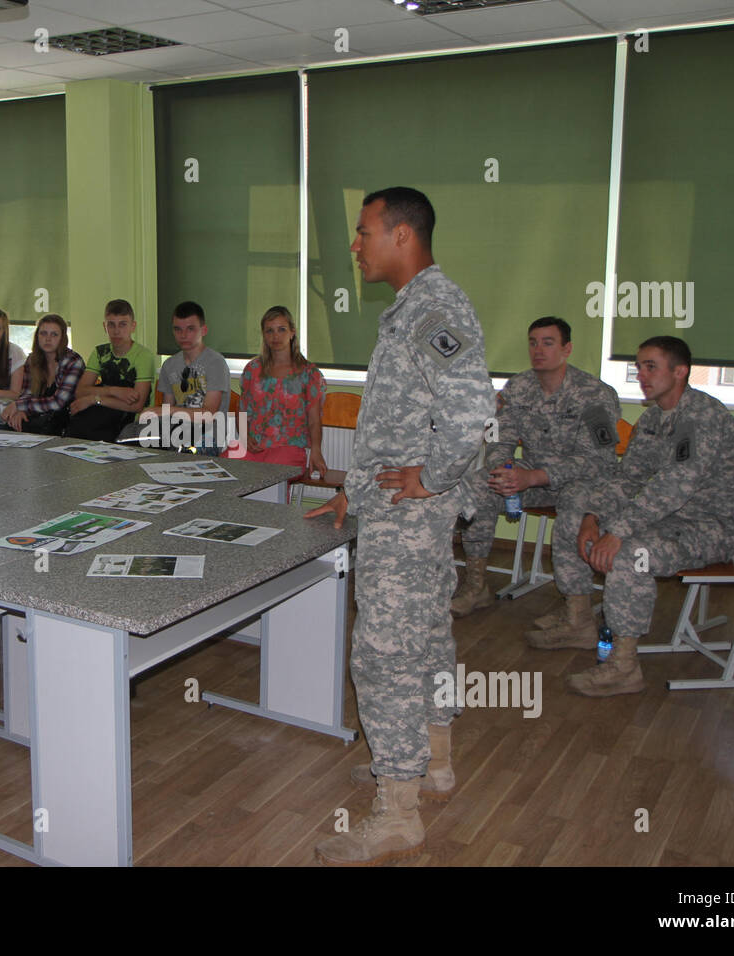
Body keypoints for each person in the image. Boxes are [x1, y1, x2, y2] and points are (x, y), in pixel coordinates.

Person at [305, 187, 493, 865]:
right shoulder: (412, 309)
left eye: (364, 232)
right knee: (427, 634)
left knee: (382, 654)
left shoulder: (432, 308)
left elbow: (471, 410)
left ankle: (396, 809)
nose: (355, 246)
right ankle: (430, 761)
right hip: (399, 512)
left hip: (409, 518)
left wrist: (433, 477)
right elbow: (398, 422)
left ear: (403, 235)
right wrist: (354, 494)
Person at [528, 336, 734, 698]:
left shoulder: (700, 418)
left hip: (708, 527)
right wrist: (593, 516)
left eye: (651, 367)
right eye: (638, 367)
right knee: (576, 515)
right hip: (669, 518)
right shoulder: (654, 417)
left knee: (631, 555)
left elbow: (674, 486)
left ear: (680, 372)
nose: (641, 375)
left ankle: (624, 666)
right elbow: (628, 479)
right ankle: (579, 619)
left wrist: (617, 532)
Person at [451, 316, 620, 616]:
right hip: (532, 479)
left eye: (548, 342)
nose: (538, 350)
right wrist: (503, 470)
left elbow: (598, 461)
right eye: (533, 342)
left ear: (567, 349)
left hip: (583, 483)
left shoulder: (596, 394)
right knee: (478, 486)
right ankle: (476, 587)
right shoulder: (518, 387)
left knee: (575, 504)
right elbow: (498, 436)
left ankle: (576, 613)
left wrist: (533, 476)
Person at [234, 305, 326, 472]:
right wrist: (244, 436)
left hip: (289, 448)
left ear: (292, 332)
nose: (275, 336)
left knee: (271, 473)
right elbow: (242, 411)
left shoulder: (309, 373)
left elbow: (314, 420)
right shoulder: (252, 370)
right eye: (269, 331)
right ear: (263, 335)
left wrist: (316, 450)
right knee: (227, 465)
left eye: (281, 329)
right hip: (254, 446)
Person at [66, 299, 155, 442]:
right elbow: (80, 391)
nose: (117, 331)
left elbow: (137, 406)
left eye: (123, 324)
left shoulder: (143, 356)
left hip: (133, 421)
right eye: (111, 325)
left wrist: (94, 399)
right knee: (77, 425)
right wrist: (114, 391)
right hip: (106, 413)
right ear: (104, 326)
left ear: (133, 326)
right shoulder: (100, 352)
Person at [152, 301, 231, 455]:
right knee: (138, 440)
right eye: (178, 329)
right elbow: (167, 408)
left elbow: (209, 414)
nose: (183, 335)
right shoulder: (169, 365)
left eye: (190, 329)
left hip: (211, 433)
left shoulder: (216, 362)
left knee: (186, 451)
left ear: (204, 330)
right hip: (178, 428)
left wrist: (168, 412)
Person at [1, 314, 83, 434]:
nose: (48, 339)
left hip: (65, 423)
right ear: (37, 336)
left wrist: (19, 406)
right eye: (43, 333)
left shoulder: (73, 361)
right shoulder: (32, 360)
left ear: (63, 338)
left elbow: (58, 402)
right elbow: (26, 393)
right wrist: (21, 411)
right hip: (39, 419)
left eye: (54, 334)